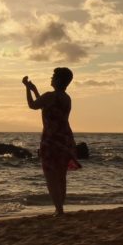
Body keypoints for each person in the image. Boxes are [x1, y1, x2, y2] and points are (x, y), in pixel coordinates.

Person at [23, 68, 80, 216]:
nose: (51, 77)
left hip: (51, 139)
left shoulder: (50, 96)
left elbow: (33, 105)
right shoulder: (66, 98)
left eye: (54, 76)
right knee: (61, 176)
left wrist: (27, 90)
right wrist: (35, 89)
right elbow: (44, 104)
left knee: (50, 176)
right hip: (65, 138)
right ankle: (60, 208)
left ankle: (59, 210)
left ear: (59, 80)